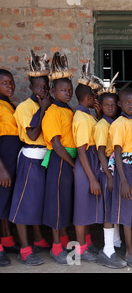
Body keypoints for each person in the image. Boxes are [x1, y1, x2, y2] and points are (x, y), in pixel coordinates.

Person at [9, 51, 52, 266]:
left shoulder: (47, 104)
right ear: (31, 88)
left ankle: (38, 239)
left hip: (45, 158)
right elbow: (33, 135)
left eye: (45, 87)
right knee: (24, 204)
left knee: (38, 202)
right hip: (31, 158)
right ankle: (25, 250)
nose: (43, 91)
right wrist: (43, 110)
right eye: (39, 87)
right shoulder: (26, 107)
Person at [41, 52, 77, 264]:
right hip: (59, 160)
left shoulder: (68, 110)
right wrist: (73, 164)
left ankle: (64, 242)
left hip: (68, 160)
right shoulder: (52, 112)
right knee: (56, 204)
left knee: (65, 203)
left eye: (69, 90)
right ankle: (56, 247)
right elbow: (56, 144)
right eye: (63, 90)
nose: (67, 93)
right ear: (53, 91)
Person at [109, 86, 132, 270]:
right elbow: (117, 153)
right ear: (119, 104)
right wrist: (123, 181)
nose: (131, 106)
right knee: (126, 211)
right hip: (124, 168)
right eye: (127, 103)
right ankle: (130, 250)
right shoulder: (119, 124)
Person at [72, 65, 105, 262]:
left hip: (91, 162)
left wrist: (99, 115)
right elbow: (82, 150)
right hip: (86, 165)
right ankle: (80, 248)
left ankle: (87, 243)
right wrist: (92, 178)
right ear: (86, 98)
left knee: (88, 206)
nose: (95, 99)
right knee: (82, 207)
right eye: (93, 96)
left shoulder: (87, 116)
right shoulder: (82, 119)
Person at [93, 80, 127, 269]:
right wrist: (109, 175)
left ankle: (116, 242)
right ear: (101, 106)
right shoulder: (101, 126)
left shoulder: (114, 122)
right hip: (108, 171)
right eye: (106, 105)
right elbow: (100, 152)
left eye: (113, 105)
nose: (111, 108)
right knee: (108, 210)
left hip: (114, 170)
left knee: (115, 208)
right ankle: (107, 250)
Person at [0, 69, 24, 266]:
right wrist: (1, 168)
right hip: (2, 164)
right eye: (5, 83)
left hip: (11, 160)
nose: (10, 86)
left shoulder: (9, 105)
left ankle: (7, 241)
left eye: (11, 82)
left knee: (5, 204)